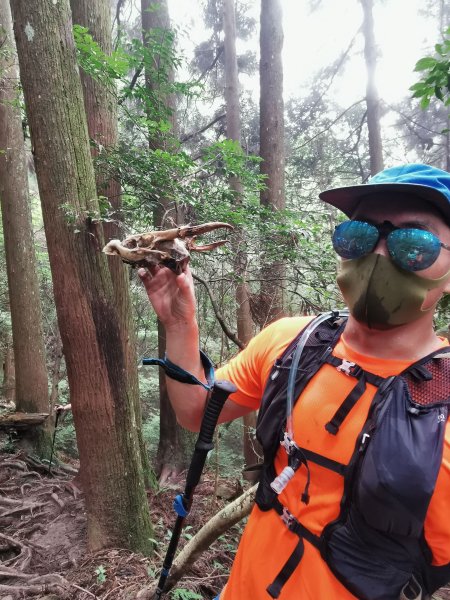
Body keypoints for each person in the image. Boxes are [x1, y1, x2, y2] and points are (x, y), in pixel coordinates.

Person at [139, 163, 450, 600]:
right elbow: (196, 412)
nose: (379, 255)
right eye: (359, 236)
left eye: (413, 242)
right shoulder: (294, 342)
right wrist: (179, 323)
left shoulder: (442, 400)